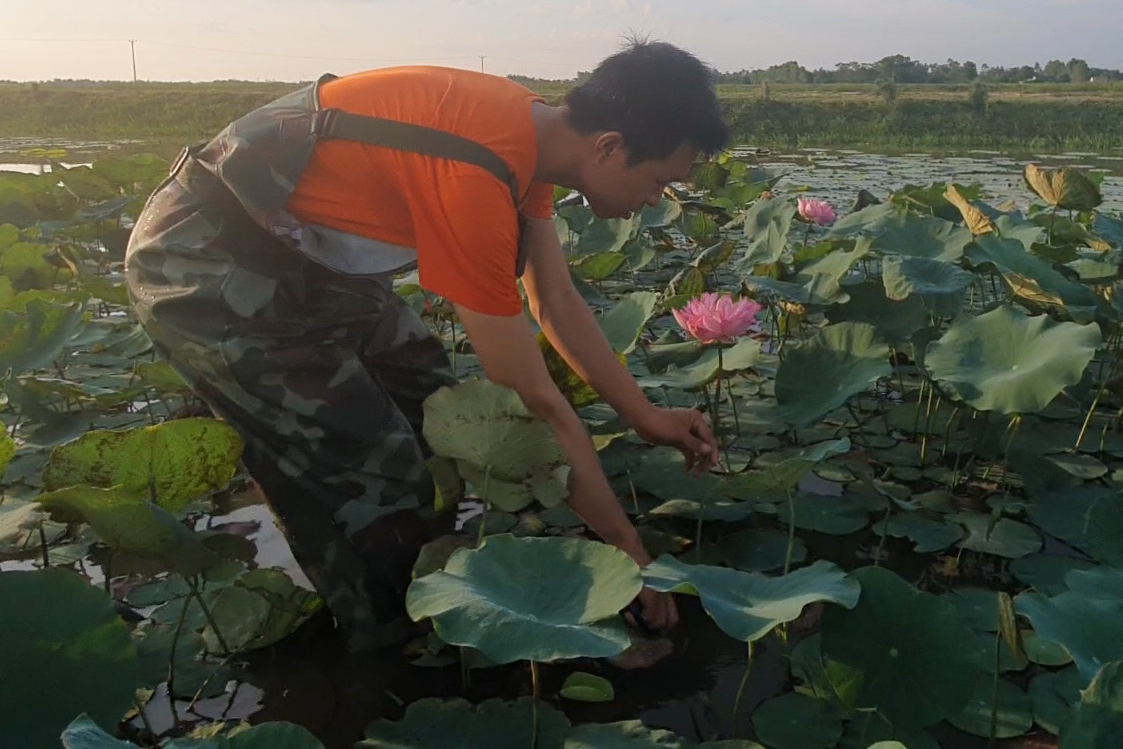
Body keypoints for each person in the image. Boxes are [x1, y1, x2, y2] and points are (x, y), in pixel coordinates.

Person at [124, 39, 729, 650]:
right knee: (375, 475)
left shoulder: (535, 138)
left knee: (438, 412)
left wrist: (646, 416)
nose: (657, 200)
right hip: (204, 266)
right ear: (609, 147)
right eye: (659, 182)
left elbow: (556, 304)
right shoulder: (477, 170)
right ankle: (389, 645)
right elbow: (531, 401)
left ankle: (427, 584)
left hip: (304, 260)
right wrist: (629, 556)